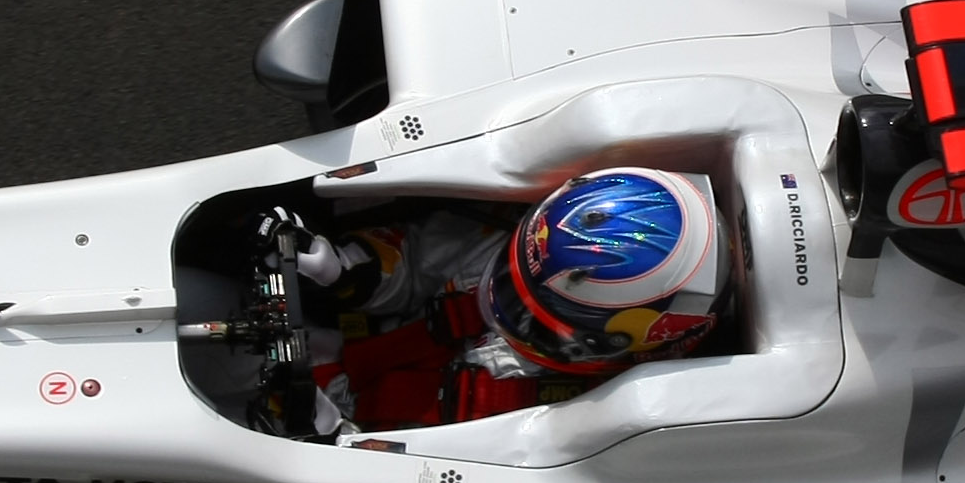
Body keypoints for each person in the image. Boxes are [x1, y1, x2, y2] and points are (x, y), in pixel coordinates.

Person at [301, 167, 722, 433]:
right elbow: (414, 260)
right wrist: (348, 269)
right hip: (339, 347)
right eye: (510, 275)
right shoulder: (521, 248)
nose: (498, 301)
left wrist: (338, 440)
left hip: (350, 430)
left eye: (533, 316)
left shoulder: (601, 413)